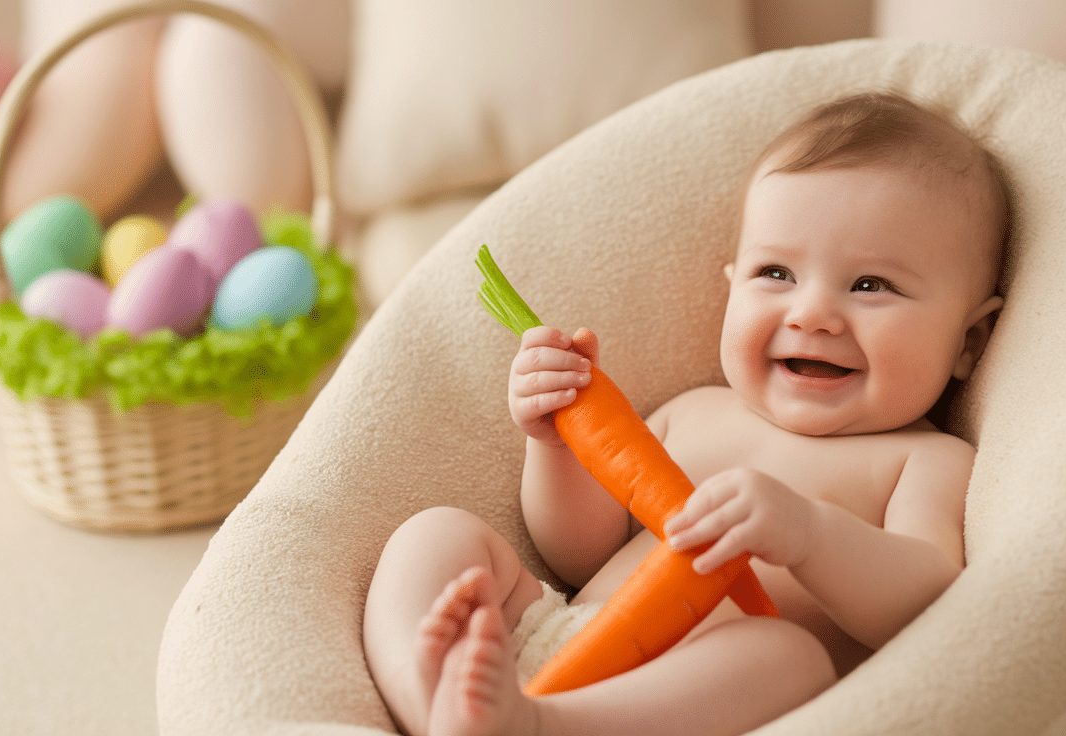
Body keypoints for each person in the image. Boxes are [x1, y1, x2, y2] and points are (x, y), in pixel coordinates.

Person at [362, 92, 1010, 736]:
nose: (810, 313)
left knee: (790, 661)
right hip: (557, 638)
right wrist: (557, 444)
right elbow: (579, 555)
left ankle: (533, 725)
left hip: (679, 702)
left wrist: (811, 535)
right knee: (435, 534)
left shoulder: (922, 461)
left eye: (871, 285)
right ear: (732, 289)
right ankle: (436, 703)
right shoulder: (696, 413)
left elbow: (924, 600)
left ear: (968, 342)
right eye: (777, 273)